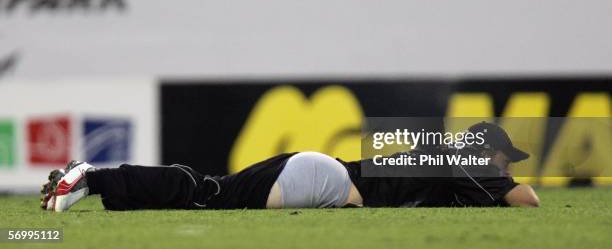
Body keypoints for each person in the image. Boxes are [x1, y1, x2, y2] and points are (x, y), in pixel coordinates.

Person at [40, 122, 539, 212]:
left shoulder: (442, 159)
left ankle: (98, 186)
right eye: (502, 158)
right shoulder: (463, 161)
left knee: (209, 193)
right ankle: (93, 177)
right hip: (325, 180)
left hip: (322, 176)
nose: (503, 166)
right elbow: (527, 199)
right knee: (208, 192)